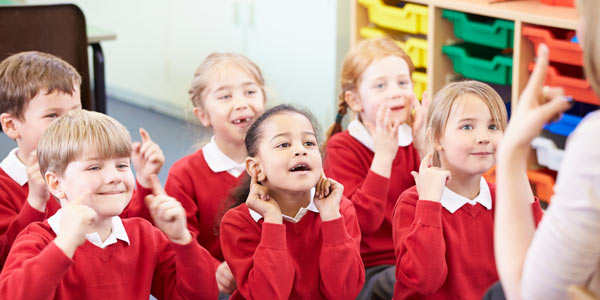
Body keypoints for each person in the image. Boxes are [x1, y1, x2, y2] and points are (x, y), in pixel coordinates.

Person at [0, 110, 218, 299]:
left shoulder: (145, 235)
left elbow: (201, 295)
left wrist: (182, 240)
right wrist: (65, 244)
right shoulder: (38, 239)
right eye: (94, 167)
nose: (115, 177)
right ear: (56, 183)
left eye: (122, 165)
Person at [393, 81, 543, 299]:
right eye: (467, 127)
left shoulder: (502, 198)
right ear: (437, 138)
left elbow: (538, 261)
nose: (483, 137)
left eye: (493, 127)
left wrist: (516, 162)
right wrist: (430, 206)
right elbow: (425, 281)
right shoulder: (413, 203)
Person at [220, 104, 365, 300]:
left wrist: (331, 218)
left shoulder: (340, 210)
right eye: (284, 145)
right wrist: (272, 220)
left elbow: (344, 293)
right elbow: (268, 296)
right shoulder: (238, 223)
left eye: (309, 143)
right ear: (256, 168)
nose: (300, 150)